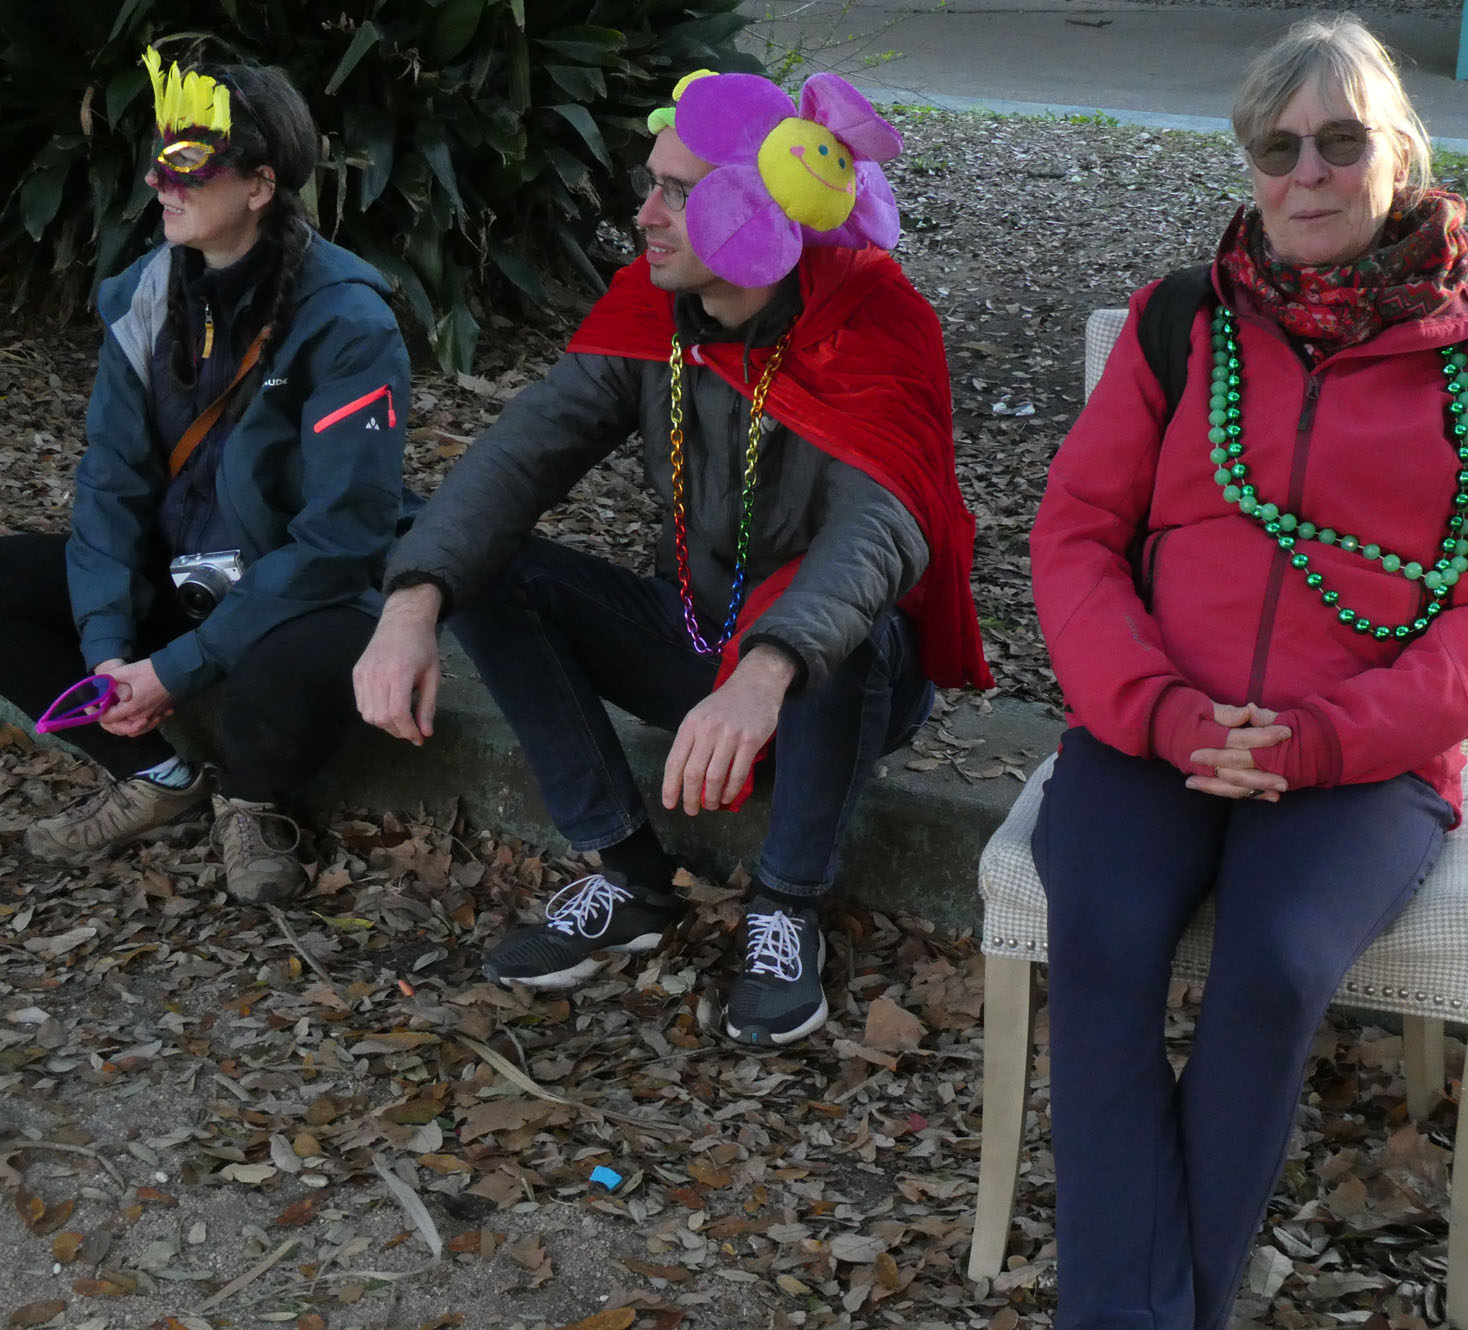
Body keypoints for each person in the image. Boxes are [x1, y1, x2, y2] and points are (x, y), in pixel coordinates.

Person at [1024, 16, 1468, 1330]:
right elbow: (1073, 535)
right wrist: (1157, 707)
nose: (1308, 172)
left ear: (1398, 154)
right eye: (1279, 147)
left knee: (1269, 961)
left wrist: (1325, 738)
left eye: (1339, 141)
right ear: (1250, 166)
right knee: (1104, 933)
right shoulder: (1175, 323)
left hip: (1357, 757)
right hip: (1156, 724)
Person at [354, 70, 991, 1045]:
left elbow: (879, 534)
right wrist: (412, 600)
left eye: (677, 193)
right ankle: (628, 874)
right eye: (650, 184)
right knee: (486, 573)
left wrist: (764, 674)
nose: (644, 215)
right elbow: (522, 453)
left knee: (849, 632)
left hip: (836, 682)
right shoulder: (652, 310)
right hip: (698, 633)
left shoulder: (874, 323)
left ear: (763, 212)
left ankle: (786, 906)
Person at [0, 48, 412, 903]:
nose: (158, 182)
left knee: (302, 657)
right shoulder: (145, 295)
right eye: (158, 158)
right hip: (176, 576)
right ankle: (154, 775)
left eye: (187, 165)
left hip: (296, 592)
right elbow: (110, 482)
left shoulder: (348, 320)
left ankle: (252, 802)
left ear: (259, 186)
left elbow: (343, 536)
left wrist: (179, 669)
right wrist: (109, 651)